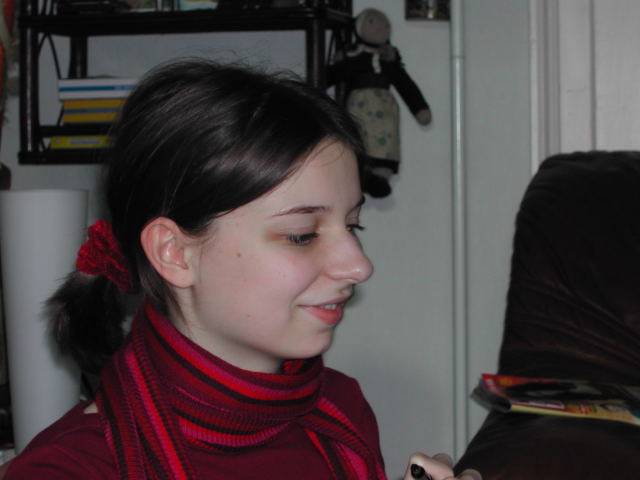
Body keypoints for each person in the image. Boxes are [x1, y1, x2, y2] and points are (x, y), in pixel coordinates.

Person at [4, 58, 480, 480]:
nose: (359, 265)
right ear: (174, 253)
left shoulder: (342, 412)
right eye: (302, 234)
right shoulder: (70, 469)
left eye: (353, 226)